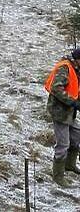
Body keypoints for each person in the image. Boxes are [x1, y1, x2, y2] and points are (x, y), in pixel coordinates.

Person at [45, 48, 80, 186]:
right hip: (60, 111)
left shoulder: (75, 68)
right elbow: (56, 89)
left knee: (76, 136)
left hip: (70, 111)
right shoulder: (64, 68)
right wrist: (74, 102)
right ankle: (58, 176)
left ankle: (70, 165)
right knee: (63, 144)